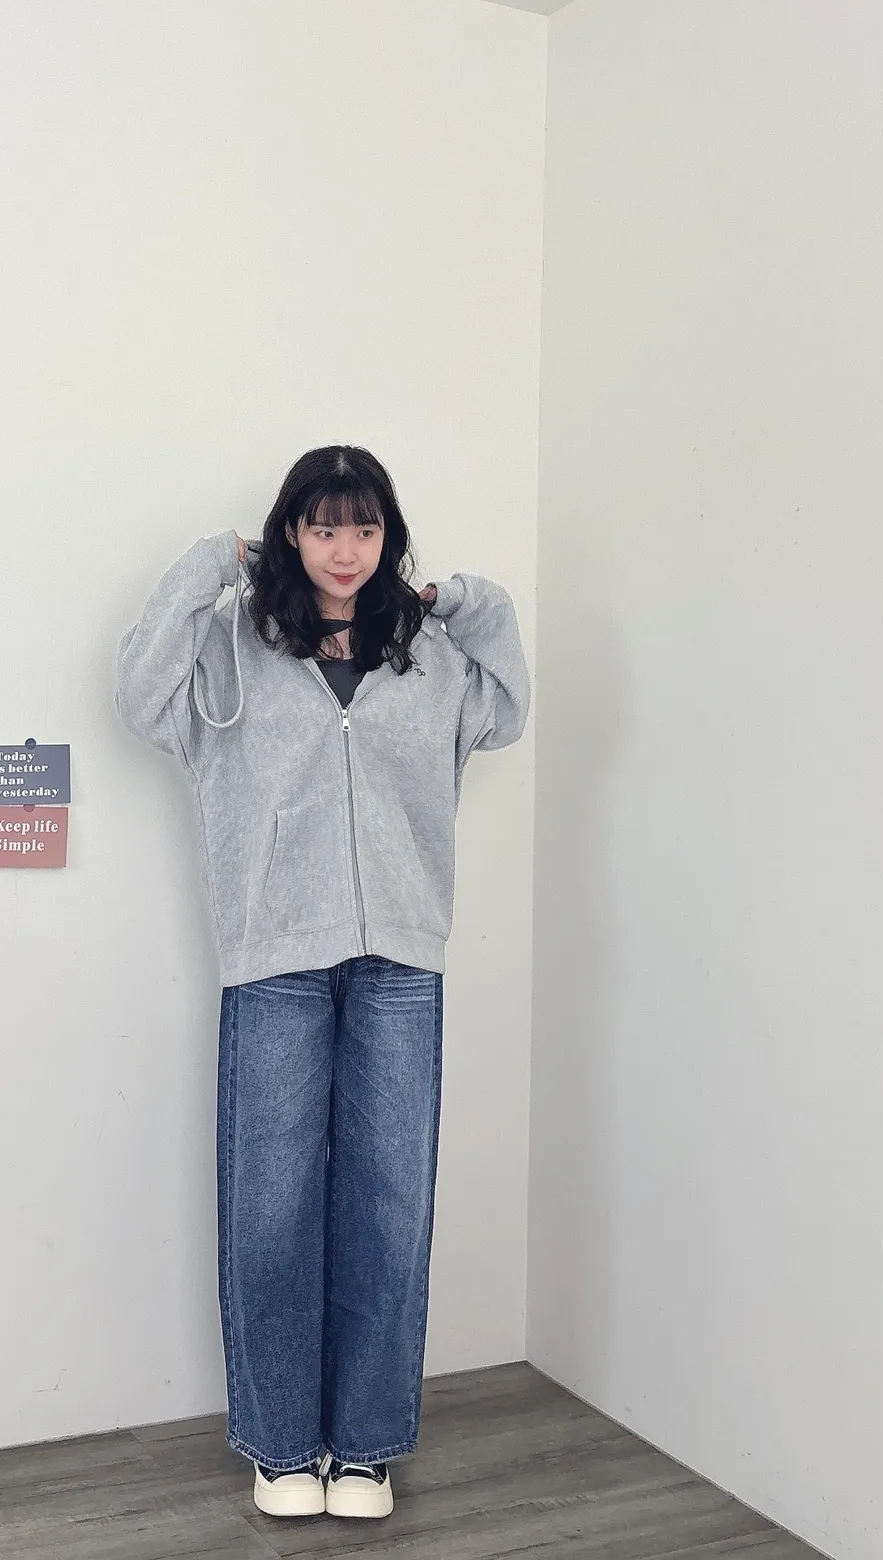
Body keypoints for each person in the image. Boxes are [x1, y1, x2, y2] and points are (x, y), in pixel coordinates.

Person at [114, 445, 530, 1520]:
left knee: (390, 1207)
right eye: (323, 526)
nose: (346, 550)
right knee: (273, 1208)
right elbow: (139, 692)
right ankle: (281, 1444)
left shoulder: (426, 658)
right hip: (275, 960)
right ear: (289, 533)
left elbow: (510, 707)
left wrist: (464, 600)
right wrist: (213, 562)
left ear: (390, 538)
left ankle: (367, 1449)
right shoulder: (234, 649)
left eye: (366, 527)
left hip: (402, 959)